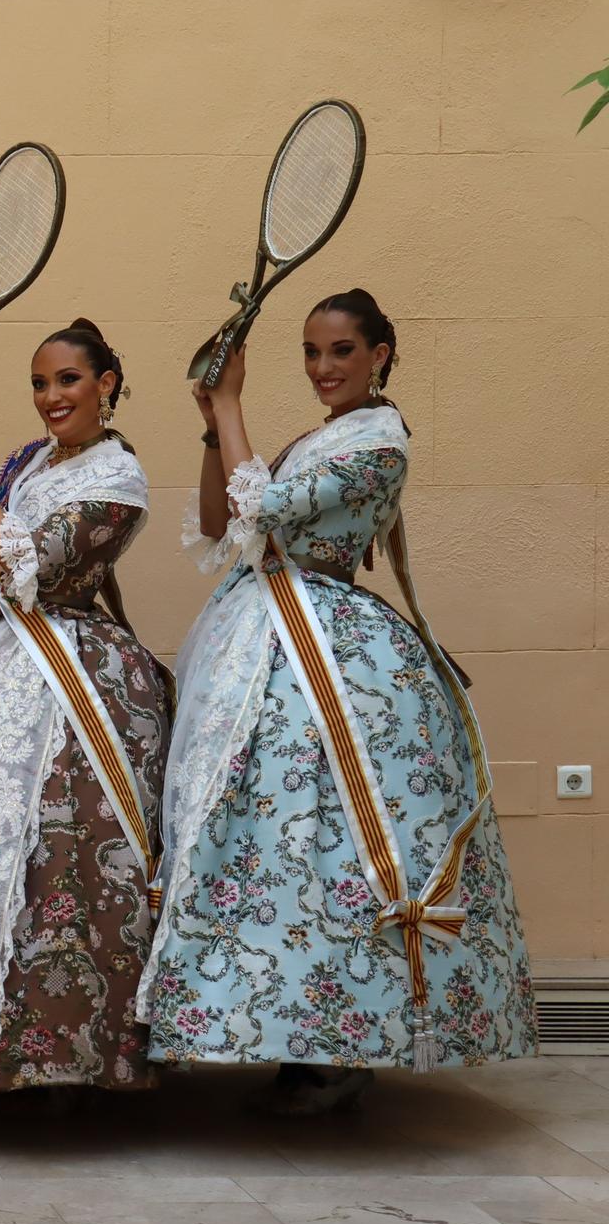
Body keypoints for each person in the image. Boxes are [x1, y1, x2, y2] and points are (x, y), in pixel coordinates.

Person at [141, 290, 536, 1112]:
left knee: (324, 833)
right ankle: (257, 1022)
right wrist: (214, 425)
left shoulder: (382, 444)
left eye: (342, 352)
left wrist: (230, 402)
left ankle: (343, 1041)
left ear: (382, 355)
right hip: (254, 633)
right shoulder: (319, 437)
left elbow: (269, 512)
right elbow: (222, 524)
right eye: (313, 353)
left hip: (330, 649)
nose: (324, 368)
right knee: (257, 835)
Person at [0, 320, 171, 1094]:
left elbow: (34, 567)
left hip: (66, 680)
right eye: (40, 383)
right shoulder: (29, 460)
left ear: (106, 383)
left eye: (68, 381)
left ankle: (60, 1060)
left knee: (54, 860)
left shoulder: (119, 476)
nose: (52, 397)